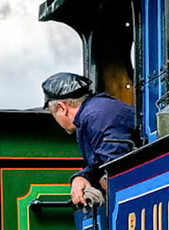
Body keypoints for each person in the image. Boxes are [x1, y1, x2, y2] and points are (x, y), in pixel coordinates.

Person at [42, 72, 140, 208]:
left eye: (54, 113)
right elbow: (100, 161)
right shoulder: (90, 115)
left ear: (62, 108)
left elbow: (115, 166)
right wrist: (83, 177)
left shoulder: (96, 115)